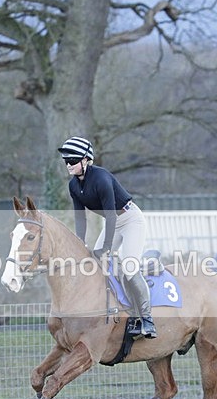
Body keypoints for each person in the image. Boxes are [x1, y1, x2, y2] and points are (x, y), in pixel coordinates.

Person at [58, 136, 157, 338]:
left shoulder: (101, 179)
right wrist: (80, 245)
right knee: (94, 264)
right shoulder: (73, 186)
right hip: (112, 222)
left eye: (73, 160)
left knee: (129, 269)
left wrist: (105, 248)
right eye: (66, 161)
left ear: (86, 160)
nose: (69, 165)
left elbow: (111, 216)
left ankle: (147, 320)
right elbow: (81, 218)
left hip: (129, 220)